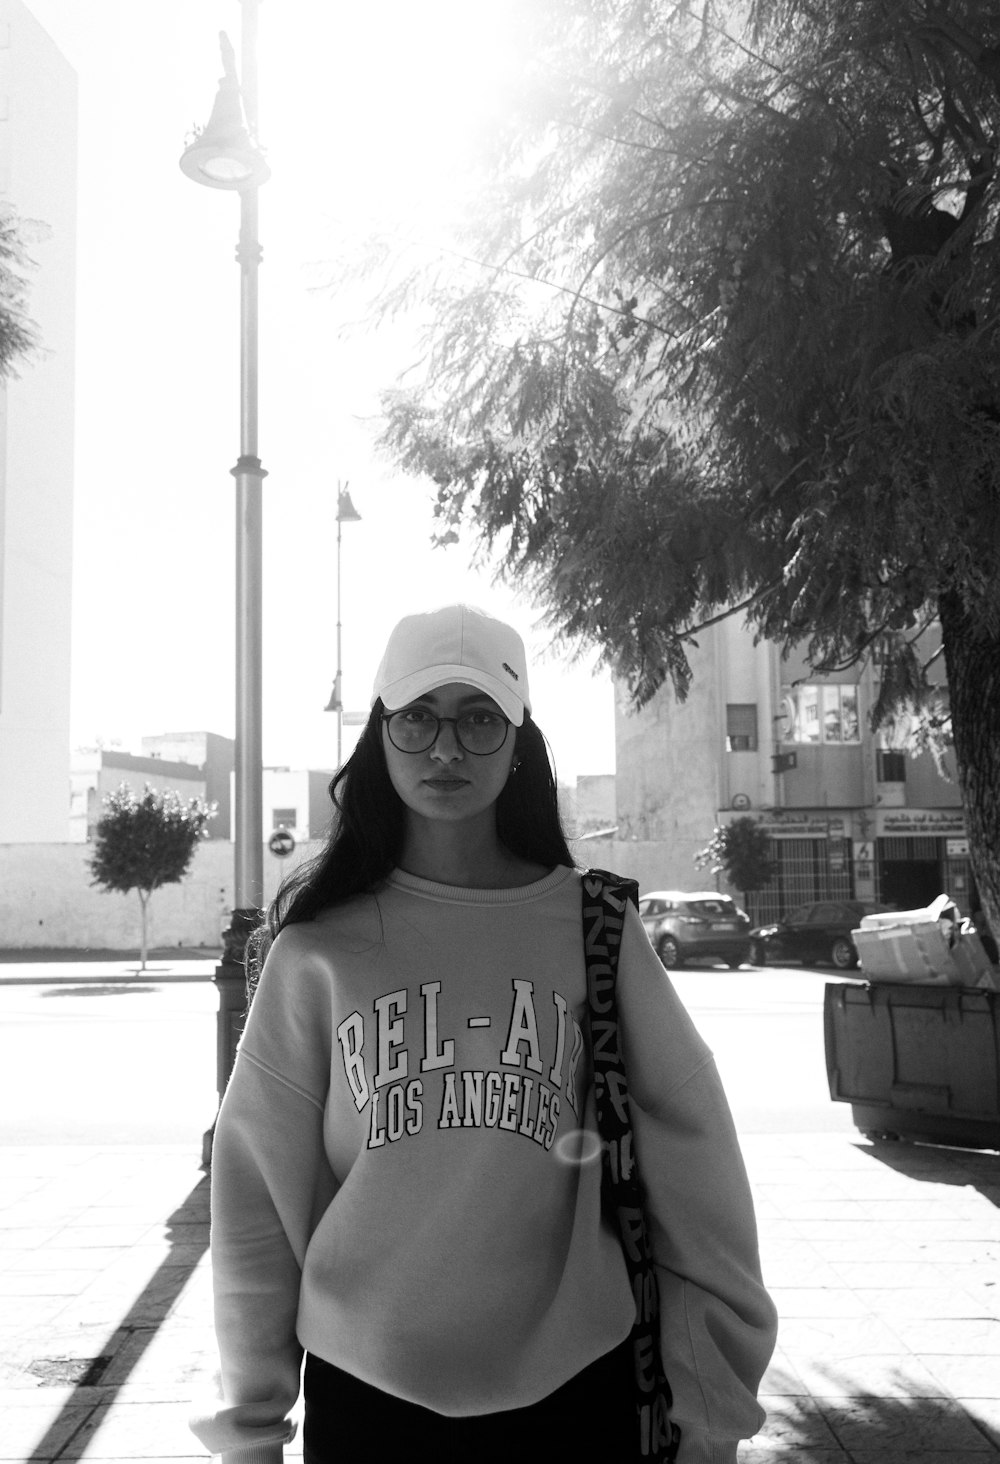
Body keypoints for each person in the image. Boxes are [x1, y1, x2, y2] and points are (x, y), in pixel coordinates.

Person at [191, 603, 777, 1464]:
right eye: (418, 717)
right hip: (367, 1403)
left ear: (518, 742)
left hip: (577, 1399)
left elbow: (698, 1184)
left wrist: (711, 1416)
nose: (445, 748)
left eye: (478, 720)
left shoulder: (595, 931)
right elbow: (255, 1213)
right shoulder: (316, 953)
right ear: (380, 736)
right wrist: (248, 1432)